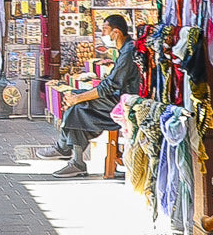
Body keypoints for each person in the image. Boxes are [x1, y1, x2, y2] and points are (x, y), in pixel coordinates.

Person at [37, 14, 141, 178]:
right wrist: (77, 96)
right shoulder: (124, 50)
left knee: (78, 107)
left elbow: (110, 86)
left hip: (125, 101)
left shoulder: (128, 52)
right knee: (76, 101)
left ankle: (67, 151)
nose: (103, 35)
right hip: (118, 97)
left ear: (116, 32)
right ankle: (70, 155)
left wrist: (78, 98)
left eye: (105, 30)